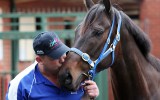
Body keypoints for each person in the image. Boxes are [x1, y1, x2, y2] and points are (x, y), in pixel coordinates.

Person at [6, 31, 99, 100]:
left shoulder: (77, 73)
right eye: (55, 56)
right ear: (39, 60)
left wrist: (91, 96)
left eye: (63, 52)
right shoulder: (20, 85)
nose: (63, 58)